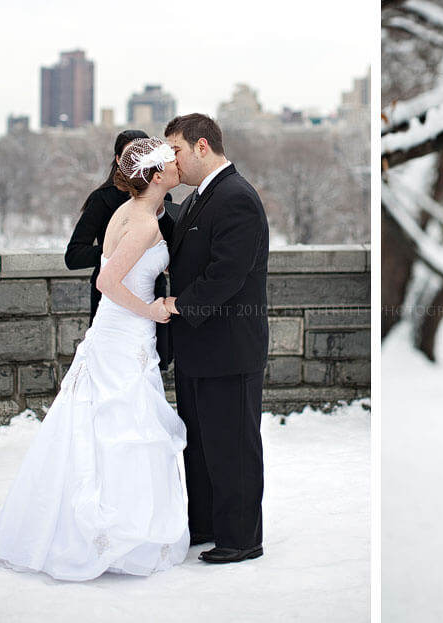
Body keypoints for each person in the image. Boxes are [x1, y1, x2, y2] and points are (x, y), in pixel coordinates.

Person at [0, 137, 189, 581]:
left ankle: (109, 527)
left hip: (117, 331)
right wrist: (150, 310)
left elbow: (129, 267)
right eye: (169, 162)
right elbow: (106, 282)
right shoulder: (143, 223)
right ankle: (116, 533)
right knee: (122, 425)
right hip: (125, 332)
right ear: (155, 177)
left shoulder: (131, 211)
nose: (176, 165)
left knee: (105, 425)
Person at [163, 114, 269, 564]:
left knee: (232, 448)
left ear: (201, 146)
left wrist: (178, 305)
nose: (172, 160)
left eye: (176, 151)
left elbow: (227, 273)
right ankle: (206, 525)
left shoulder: (236, 197)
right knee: (202, 447)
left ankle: (241, 539)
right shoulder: (197, 198)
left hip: (228, 348)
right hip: (197, 348)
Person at [65, 129, 176, 370]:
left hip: (152, 294)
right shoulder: (103, 200)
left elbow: (170, 246)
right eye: (131, 156)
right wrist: (122, 254)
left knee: (151, 366)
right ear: (118, 160)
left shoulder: (160, 201)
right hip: (117, 302)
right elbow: (74, 256)